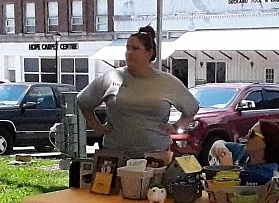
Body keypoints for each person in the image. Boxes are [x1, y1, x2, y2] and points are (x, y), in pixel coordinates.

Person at [77, 25, 199, 159]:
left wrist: (176, 126)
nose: (129, 53)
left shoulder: (167, 82)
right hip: (115, 154)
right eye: (127, 48)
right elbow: (83, 102)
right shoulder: (111, 78)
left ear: (149, 53)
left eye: (135, 49)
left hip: (156, 155)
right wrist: (97, 127)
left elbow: (192, 108)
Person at [209, 120, 279, 185]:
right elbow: (217, 144)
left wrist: (229, 169)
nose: (247, 136)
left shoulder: (267, 173)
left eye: (252, 134)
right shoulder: (244, 151)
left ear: (266, 142)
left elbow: (236, 192)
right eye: (249, 132)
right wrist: (220, 147)